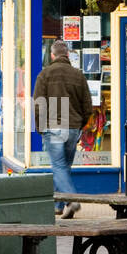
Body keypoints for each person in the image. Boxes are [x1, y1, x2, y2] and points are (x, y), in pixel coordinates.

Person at [32, 39, 92, 218]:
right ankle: (58, 206)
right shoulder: (78, 75)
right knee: (64, 167)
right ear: (67, 55)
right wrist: (80, 124)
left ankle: (71, 200)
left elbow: (38, 105)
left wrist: (40, 128)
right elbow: (88, 106)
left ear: (52, 55)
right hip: (73, 127)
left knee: (58, 166)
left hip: (53, 127)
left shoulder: (45, 74)